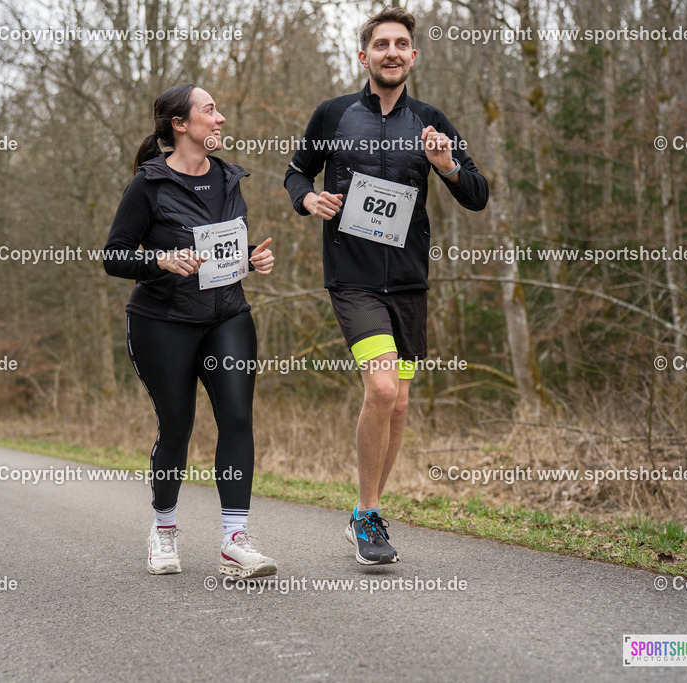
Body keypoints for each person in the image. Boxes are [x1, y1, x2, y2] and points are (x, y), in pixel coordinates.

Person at [284, 7, 489, 565]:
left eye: (401, 44)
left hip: (408, 282)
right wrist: (308, 199)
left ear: (413, 56)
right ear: (364, 55)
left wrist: (446, 166)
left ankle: (365, 511)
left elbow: (477, 192)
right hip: (351, 278)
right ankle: (368, 514)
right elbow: (296, 172)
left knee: (398, 404)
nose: (392, 52)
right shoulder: (333, 115)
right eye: (381, 44)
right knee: (379, 389)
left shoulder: (430, 120)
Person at [104, 84, 277, 578]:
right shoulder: (149, 184)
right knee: (177, 425)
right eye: (210, 111)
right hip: (163, 322)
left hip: (227, 315)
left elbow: (222, 248)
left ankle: (234, 541)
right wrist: (159, 259)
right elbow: (114, 255)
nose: (220, 119)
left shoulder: (228, 176)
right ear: (181, 125)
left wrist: (251, 259)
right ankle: (163, 529)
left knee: (237, 418)